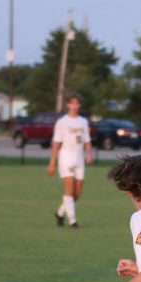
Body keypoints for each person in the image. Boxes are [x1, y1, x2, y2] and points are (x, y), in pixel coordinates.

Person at [47, 93, 93, 229]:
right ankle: (73, 221)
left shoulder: (83, 122)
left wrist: (89, 154)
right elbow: (56, 143)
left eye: (77, 103)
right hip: (66, 158)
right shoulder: (62, 122)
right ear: (67, 104)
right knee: (69, 191)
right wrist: (52, 162)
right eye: (72, 103)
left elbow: (87, 141)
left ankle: (60, 213)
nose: (74, 106)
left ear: (79, 105)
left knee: (77, 194)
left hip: (79, 160)